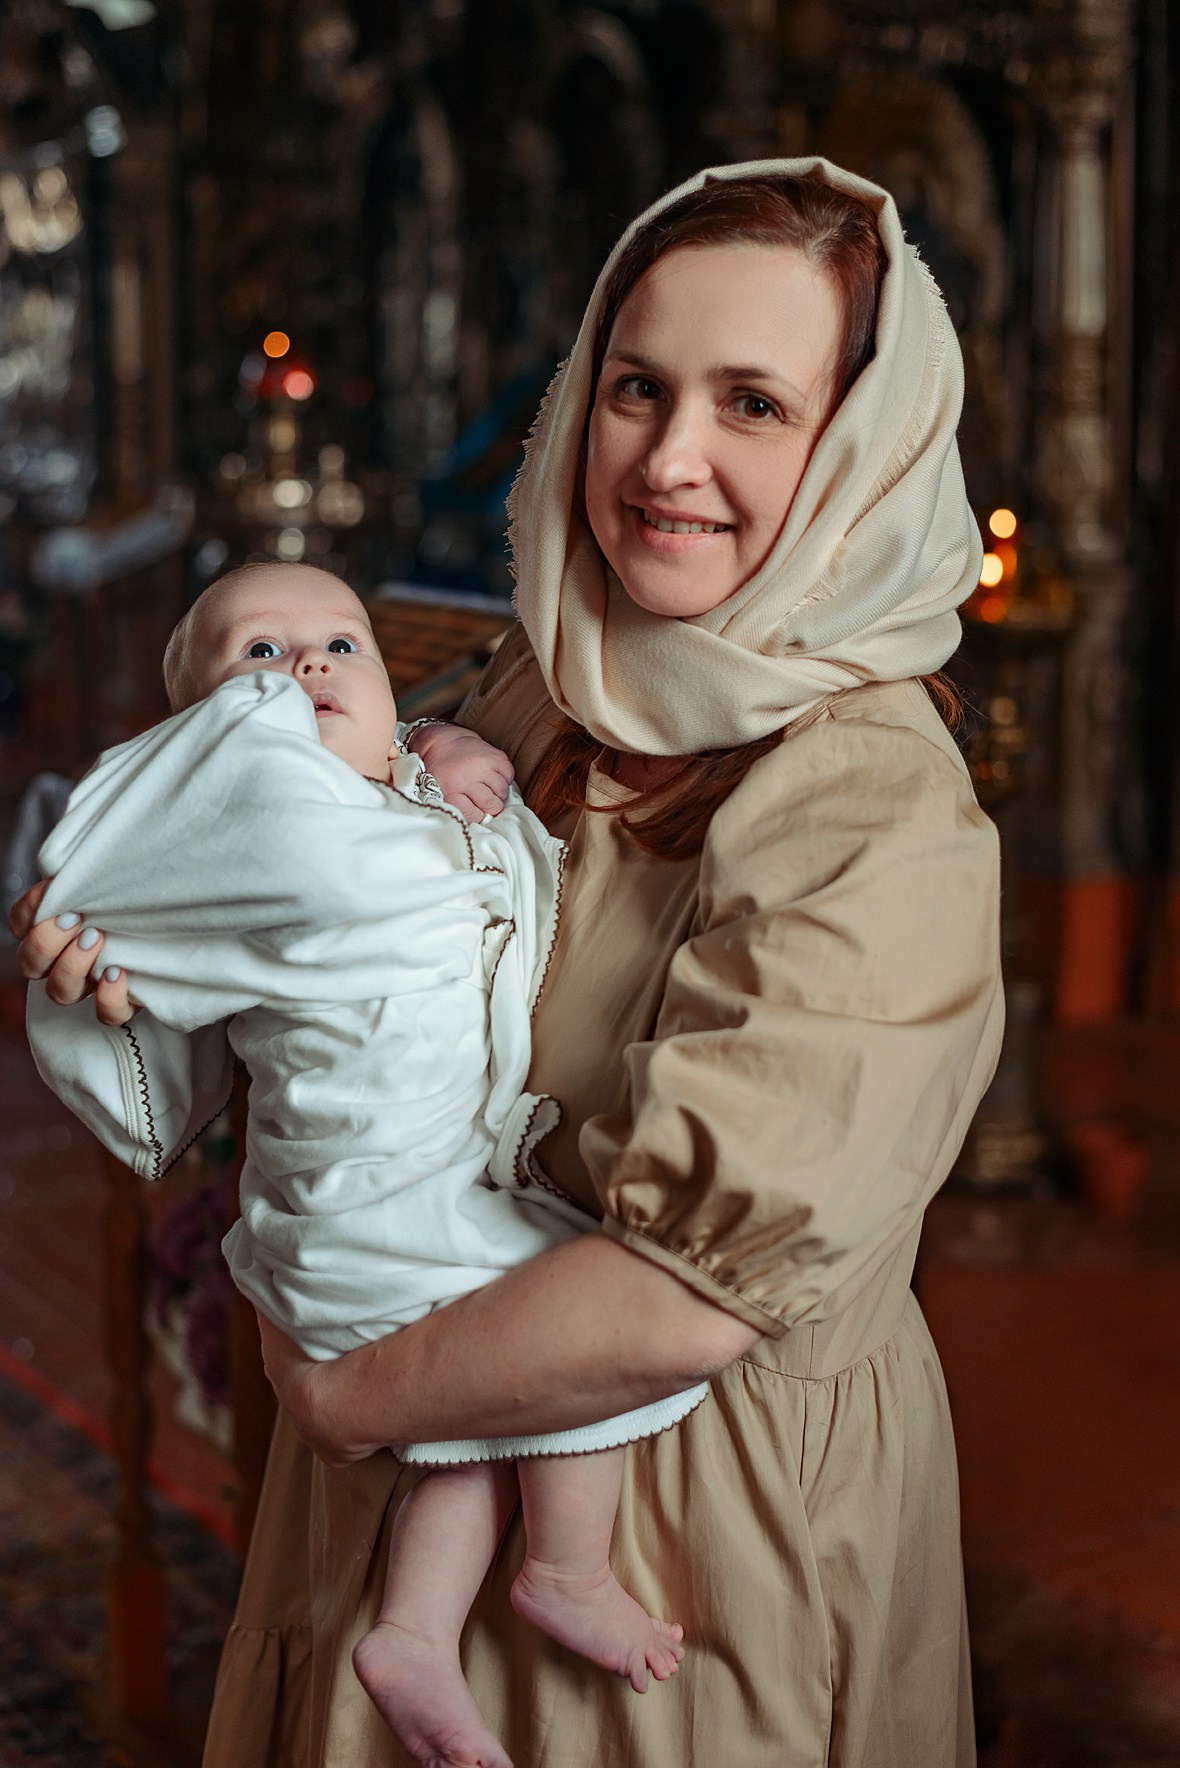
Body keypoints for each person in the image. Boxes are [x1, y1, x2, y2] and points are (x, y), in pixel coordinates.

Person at [17, 157, 1004, 1768]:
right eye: (638, 386)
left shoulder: (872, 800)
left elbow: (690, 1300)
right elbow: (346, 958)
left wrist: (342, 1391)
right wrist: (147, 952)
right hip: (418, 1460)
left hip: (673, 1537)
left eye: (754, 403)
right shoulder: (542, 679)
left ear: (861, 453)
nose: (668, 458)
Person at [26, 562, 700, 1768]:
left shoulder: (395, 795)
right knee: (584, 1337)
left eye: (343, 644)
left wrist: (432, 742)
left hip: (429, 1196)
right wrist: (97, 928)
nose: (308, 670)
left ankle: (413, 1632)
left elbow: (407, 783)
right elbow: (147, 882)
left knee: (479, 1423)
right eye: (260, 658)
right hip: (367, 1212)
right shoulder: (261, 840)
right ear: (199, 744)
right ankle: (565, 1565)